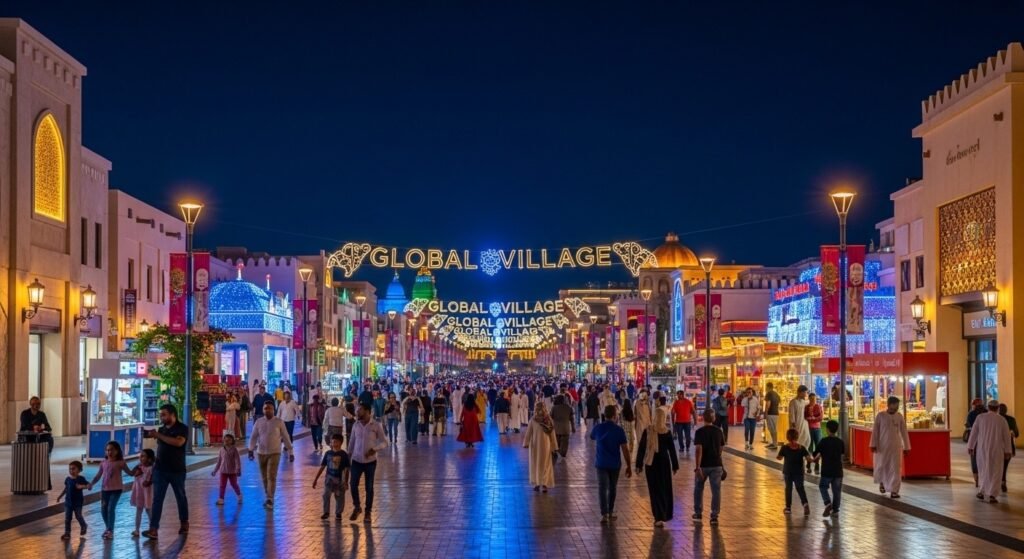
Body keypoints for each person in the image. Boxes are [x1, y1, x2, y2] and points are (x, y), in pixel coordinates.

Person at [142, 404, 190, 539]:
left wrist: (158, 435)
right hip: (160, 470)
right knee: (157, 499)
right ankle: (153, 529)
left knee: (180, 496)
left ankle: (184, 522)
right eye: (161, 415)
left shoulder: (182, 428)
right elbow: (161, 448)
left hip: (177, 470)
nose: (161, 417)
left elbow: (178, 443)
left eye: (164, 414)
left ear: (172, 414)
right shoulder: (162, 429)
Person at [635, 407, 678, 527]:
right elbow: (672, 450)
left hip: (651, 463)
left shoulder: (648, 430)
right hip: (664, 464)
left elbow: (642, 448)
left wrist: (638, 465)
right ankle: (664, 514)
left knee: (654, 490)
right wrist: (675, 465)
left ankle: (658, 516)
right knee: (664, 489)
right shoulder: (667, 432)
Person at [248, 401, 295, 509]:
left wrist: (290, 452)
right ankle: (268, 496)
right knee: (264, 477)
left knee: (271, 476)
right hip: (261, 453)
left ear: (273, 409)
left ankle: (270, 498)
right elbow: (253, 436)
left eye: (269, 408)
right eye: (265, 408)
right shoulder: (259, 422)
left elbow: (286, 437)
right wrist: (250, 450)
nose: (267, 410)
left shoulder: (279, 422)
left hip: (275, 453)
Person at [591, 404, 632, 523]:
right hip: (615, 464)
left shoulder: (598, 428)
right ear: (615, 416)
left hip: (601, 463)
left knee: (602, 488)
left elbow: (592, 436)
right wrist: (629, 465)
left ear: (605, 415)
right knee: (612, 487)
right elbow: (625, 449)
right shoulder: (619, 430)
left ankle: (604, 514)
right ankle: (610, 510)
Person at [967, 400, 1014, 503]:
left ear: (988, 407)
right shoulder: (1002, 420)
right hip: (997, 449)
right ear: (998, 408)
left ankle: (982, 491)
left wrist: (970, 446)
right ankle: (992, 494)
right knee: (996, 471)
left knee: (983, 469)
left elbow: (974, 432)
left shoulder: (980, 418)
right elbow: (1006, 437)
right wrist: (1008, 450)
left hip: (982, 448)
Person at [348, 403, 388, 523]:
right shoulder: (356, 425)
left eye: (359, 410)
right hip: (356, 460)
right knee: (353, 484)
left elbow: (385, 442)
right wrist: (348, 457)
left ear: (367, 411)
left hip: (370, 462)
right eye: (356, 410)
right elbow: (351, 443)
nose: (357, 412)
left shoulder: (375, 425)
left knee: (369, 487)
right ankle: (357, 507)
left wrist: (374, 450)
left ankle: (368, 512)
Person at [89, 440, 135, 540]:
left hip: (116, 489)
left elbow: (130, 473)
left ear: (117, 451)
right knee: (103, 509)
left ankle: (110, 530)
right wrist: (91, 483)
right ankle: (108, 528)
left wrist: (139, 469)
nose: (109, 452)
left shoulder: (121, 463)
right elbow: (98, 475)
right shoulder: (103, 463)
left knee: (111, 508)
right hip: (105, 489)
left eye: (112, 450)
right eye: (107, 450)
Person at [869, 396, 911, 499]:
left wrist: (906, 447)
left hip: (896, 447)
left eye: (896, 407)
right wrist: (873, 444)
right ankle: (882, 482)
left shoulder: (899, 417)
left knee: (895, 468)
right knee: (882, 465)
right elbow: (875, 431)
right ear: (888, 405)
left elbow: (904, 432)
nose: (895, 409)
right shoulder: (880, 416)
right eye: (893, 407)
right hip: (882, 446)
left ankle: (894, 491)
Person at [693, 409, 724, 525]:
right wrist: (717, 456)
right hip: (716, 465)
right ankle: (714, 516)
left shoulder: (699, 432)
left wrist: (697, 467)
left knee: (698, 488)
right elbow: (721, 448)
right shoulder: (719, 431)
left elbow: (698, 450)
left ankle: (698, 512)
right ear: (714, 418)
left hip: (703, 465)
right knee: (716, 491)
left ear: (703, 418)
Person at [312, 434, 351, 520]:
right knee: (326, 494)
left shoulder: (344, 454)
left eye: (335, 441)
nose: (333, 443)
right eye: (332, 441)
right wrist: (316, 479)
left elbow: (347, 469)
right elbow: (322, 467)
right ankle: (326, 512)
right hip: (329, 478)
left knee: (340, 496)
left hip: (339, 479)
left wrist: (346, 482)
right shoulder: (328, 453)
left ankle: (338, 513)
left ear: (340, 443)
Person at [523, 402, 558, 493]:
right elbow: (552, 434)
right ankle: (545, 484)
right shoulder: (548, 420)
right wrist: (554, 446)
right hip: (546, 445)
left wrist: (526, 443)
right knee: (546, 464)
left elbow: (528, 433)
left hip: (535, 446)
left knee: (536, 464)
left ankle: (537, 484)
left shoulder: (533, 420)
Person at [776, 428, 812, 515]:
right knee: (800, 488)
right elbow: (808, 459)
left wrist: (780, 455)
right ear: (797, 437)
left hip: (788, 471)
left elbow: (779, 457)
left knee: (788, 489)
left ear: (787, 437)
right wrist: (810, 464)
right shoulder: (801, 447)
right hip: (799, 472)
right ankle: (805, 504)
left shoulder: (785, 447)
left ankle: (788, 508)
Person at [813, 420, 845, 517]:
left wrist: (817, 457)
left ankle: (827, 503)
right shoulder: (840, 442)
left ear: (827, 429)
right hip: (838, 470)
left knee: (823, 487)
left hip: (826, 469)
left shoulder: (824, 441)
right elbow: (842, 455)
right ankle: (835, 510)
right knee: (837, 491)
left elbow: (816, 453)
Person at [57, 460, 89, 540]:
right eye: (70, 469)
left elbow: (89, 486)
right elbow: (66, 489)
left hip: (78, 502)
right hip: (68, 502)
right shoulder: (68, 479)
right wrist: (60, 496)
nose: (71, 471)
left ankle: (83, 525)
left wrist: (81, 486)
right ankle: (67, 533)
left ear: (79, 470)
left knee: (78, 516)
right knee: (68, 518)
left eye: (73, 469)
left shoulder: (81, 479)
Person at [129, 448, 155, 537]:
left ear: (150, 459)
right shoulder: (140, 467)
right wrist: (137, 467)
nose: (141, 458)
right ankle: (137, 530)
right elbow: (132, 473)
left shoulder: (151, 469)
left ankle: (153, 528)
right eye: (140, 456)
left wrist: (148, 481)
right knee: (139, 509)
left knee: (148, 510)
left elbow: (151, 480)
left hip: (147, 492)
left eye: (143, 456)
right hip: (139, 491)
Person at [212, 434, 242, 506]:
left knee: (234, 484)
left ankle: (239, 495)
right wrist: (215, 470)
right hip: (223, 471)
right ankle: (221, 499)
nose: (226, 441)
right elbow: (219, 461)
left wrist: (238, 469)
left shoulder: (234, 450)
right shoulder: (221, 450)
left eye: (229, 440)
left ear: (232, 441)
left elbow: (237, 461)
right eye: (225, 440)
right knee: (222, 485)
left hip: (232, 471)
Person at [998, 403, 1018, 493]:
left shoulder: (995, 420)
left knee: (996, 466)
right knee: (1004, 466)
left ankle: (998, 482)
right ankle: (1003, 482)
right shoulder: (1011, 420)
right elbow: (1017, 434)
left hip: (997, 446)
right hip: (1008, 446)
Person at [550, 395, 575, 461]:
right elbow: (572, 419)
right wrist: (573, 427)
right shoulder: (569, 408)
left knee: (556, 443)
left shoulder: (554, 408)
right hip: (565, 429)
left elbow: (550, 418)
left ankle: (556, 454)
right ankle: (562, 455)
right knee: (564, 444)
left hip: (556, 429)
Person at [787, 386, 812, 451]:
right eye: (805, 392)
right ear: (800, 392)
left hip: (804, 424)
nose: (806, 394)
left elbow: (810, 401)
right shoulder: (793, 402)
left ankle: (803, 452)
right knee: (797, 440)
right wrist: (793, 425)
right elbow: (791, 415)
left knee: (807, 439)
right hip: (796, 425)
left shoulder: (803, 401)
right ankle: (797, 453)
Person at [804, 393, 823, 474]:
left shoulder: (818, 407)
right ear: (809, 399)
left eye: (814, 399)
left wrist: (812, 419)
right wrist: (813, 419)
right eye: (811, 399)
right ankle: (808, 464)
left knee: (818, 447)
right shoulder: (806, 407)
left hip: (817, 428)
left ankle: (817, 464)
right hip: (809, 429)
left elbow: (820, 417)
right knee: (809, 446)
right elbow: (805, 417)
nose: (813, 400)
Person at [763, 383, 781, 449]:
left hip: (770, 413)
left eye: (766, 387)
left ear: (768, 387)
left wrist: (765, 413)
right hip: (776, 413)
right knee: (774, 429)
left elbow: (768, 404)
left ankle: (774, 444)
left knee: (771, 429)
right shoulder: (776, 394)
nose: (766, 388)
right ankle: (774, 443)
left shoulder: (769, 394)